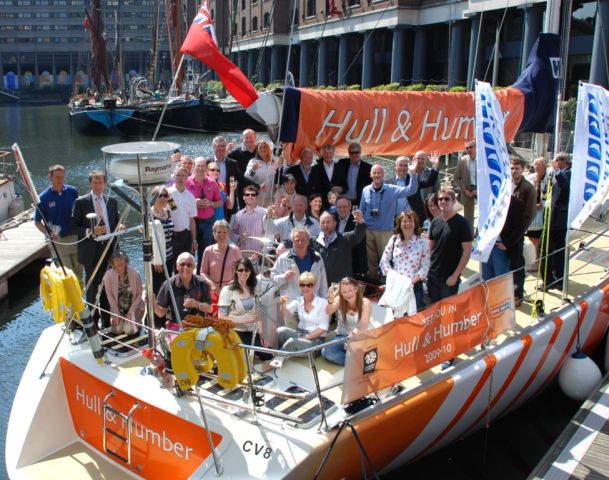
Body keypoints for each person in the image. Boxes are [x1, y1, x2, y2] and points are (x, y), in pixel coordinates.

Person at [71, 169, 120, 325]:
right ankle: (92, 319)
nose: (98, 186)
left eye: (100, 183)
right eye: (95, 183)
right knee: (92, 286)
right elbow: (73, 227)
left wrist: (120, 227)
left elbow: (116, 222)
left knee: (108, 284)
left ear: (105, 184)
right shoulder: (81, 202)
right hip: (91, 250)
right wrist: (90, 231)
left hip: (109, 250)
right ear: (90, 183)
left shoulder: (112, 202)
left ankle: (106, 319)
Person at [360, 163, 418, 276]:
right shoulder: (365, 190)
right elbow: (362, 208)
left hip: (385, 230)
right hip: (369, 230)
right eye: (374, 173)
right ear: (371, 174)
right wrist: (358, 216)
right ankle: (373, 281)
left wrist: (413, 174)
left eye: (379, 173)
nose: (377, 175)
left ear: (383, 175)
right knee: (371, 260)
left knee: (386, 259)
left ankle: (387, 282)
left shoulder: (392, 190)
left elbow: (411, 190)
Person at [34, 164, 83, 282]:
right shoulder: (43, 198)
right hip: (59, 241)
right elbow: (37, 222)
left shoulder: (72, 191)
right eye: (57, 177)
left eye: (62, 177)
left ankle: (80, 299)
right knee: (67, 275)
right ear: (50, 177)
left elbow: (80, 212)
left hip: (76, 237)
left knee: (79, 273)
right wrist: (49, 233)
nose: (60, 180)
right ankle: (70, 300)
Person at [218, 258, 271, 360]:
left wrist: (262, 334)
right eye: (240, 270)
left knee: (268, 355)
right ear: (236, 272)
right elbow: (221, 317)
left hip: (252, 331)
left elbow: (258, 313)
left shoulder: (254, 288)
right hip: (234, 332)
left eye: (246, 270)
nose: (243, 273)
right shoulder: (227, 290)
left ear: (251, 272)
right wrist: (242, 319)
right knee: (245, 357)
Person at [427, 188, 473, 303]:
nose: (443, 201)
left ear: (453, 202)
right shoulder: (434, 222)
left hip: (449, 277)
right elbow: (430, 248)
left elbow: (467, 252)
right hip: (433, 274)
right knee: (434, 308)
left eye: (446, 199)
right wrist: (427, 269)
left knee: (448, 311)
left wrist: (455, 275)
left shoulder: (462, 223)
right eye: (440, 199)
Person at [379, 211, 430, 310]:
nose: (408, 224)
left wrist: (410, 282)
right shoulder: (394, 240)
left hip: (414, 286)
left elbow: (425, 266)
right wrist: (392, 276)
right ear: (400, 224)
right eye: (404, 221)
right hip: (395, 285)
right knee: (394, 317)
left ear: (415, 223)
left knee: (412, 318)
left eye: (410, 221)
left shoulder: (423, 242)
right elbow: (384, 260)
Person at [271, 227, 328, 310]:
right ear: (292, 242)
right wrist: (284, 277)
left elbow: (323, 284)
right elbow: (273, 279)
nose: (300, 243)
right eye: (297, 240)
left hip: (313, 306)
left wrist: (324, 303)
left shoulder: (316, 257)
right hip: (291, 307)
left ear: (308, 241)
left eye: (303, 240)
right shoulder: (283, 258)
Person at [277, 271, 331, 354]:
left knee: (293, 342)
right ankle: (278, 353)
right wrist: (282, 304)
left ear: (314, 286)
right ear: (299, 285)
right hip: (300, 334)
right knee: (280, 331)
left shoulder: (323, 303)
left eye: (309, 285)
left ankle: (276, 360)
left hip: (316, 340)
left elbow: (323, 328)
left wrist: (305, 337)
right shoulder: (298, 300)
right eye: (302, 285)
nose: (305, 288)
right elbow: (285, 313)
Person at [154, 252, 213, 328]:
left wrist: (196, 304)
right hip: (176, 325)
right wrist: (153, 305)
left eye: (189, 265)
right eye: (182, 264)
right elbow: (161, 313)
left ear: (193, 267)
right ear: (177, 266)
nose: (185, 267)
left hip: (198, 325)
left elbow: (210, 309)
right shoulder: (168, 284)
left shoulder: (202, 283)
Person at [322, 277, 371, 366]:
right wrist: (330, 300)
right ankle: (357, 364)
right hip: (341, 336)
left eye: (350, 290)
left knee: (356, 349)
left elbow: (363, 325)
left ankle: (357, 360)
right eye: (344, 292)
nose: (348, 294)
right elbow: (328, 311)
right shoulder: (339, 300)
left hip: (358, 337)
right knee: (326, 352)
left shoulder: (365, 302)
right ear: (341, 293)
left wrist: (351, 336)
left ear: (356, 289)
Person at [186, 157, 223, 272]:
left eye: (203, 166)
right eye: (198, 166)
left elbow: (220, 202)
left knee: (205, 249)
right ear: (194, 167)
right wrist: (194, 202)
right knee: (190, 250)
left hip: (208, 221)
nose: (201, 168)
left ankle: (201, 275)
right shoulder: (187, 182)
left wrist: (210, 203)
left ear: (206, 168)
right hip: (192, 221)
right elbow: (180, 202)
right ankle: (188, 274)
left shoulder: (212, 183)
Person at [542, 152, 571, 290]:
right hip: (552, 216)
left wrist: (558, 172)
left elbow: (566, 187)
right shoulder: (556, 175)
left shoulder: (568, 174)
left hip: (559, 219)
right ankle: (554, 277)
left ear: (564, 161)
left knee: (555, 249)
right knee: (551, 249)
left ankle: (556, 278)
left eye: (556, 160)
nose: (554, 162)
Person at [509, 157, 537, 303]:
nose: (513, 171)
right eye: (512, 168)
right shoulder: (507, 184)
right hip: (505, 233)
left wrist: (517, 234)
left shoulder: (528, 189)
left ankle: (518, 293)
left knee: (517, 264)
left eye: (517, 168)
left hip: (517, 234)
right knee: (508, 265)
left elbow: (529, 215)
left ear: (523, 169)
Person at [314, 210, 367, 285]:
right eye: (322, 222)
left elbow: (358, 234)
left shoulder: (345, 238)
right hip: (322, 284)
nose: (325, 225)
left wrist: (360, 221)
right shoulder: (314, 241)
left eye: (328, 222)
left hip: (342, 286)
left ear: (335, 223)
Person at [102, 250, 143, 335]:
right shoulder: (108, 276)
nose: (120, 262)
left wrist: (131, 311)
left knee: (129, 331)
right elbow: (109, 296)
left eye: (121, 259)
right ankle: (124, 321)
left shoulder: (135, 273)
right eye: (117, 260)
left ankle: (137, 322)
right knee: (117, 330)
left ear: (125, 260)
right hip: (119, 310)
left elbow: (139, 294)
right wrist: (116, 313)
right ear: (113, 263)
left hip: (134, 309)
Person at [200, 220, 242, 294]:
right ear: (214, 234)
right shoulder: (208, 250)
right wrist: (213, 285)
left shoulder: (235, 250)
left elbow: (241, 270)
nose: (222, 235)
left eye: (224, 232)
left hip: (231, 290)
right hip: (213, 291)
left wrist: (234, 283)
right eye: (219, 232)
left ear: (228, 234)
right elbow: (203, 272)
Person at [210, 135, 249, 215]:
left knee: (228, 226)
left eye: (223, 146)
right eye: (218, 146)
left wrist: (257, 186)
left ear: (226, 147)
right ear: (213, 147)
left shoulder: (232, 163)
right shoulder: (208, 163)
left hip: (229, 201)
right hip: (211, 201)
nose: (220, 148)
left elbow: (242, 179)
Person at [526, 157, 551, 269]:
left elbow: (552, 195)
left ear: (544, 166)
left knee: (537, 239)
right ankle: (536, 260)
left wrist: (543, 204)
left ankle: (537, 261)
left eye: (539, 165)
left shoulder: (550, 178)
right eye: (535, 165)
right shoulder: (530, 178)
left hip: (544, 212)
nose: (536, 167)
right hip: (532, 212)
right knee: (532, 238)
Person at [168, 166, 197, 259]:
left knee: (183, 262)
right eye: (178, 175)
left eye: (183, 175)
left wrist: (194, 240)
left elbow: (192, 220)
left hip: (185, 235)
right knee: (170, 264)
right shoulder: (167, 194)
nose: (180, 178)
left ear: (187, 177)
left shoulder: (190, 197)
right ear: (174, 177)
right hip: (170, 234)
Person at [150, 186, 175, 294]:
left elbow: (175, 207)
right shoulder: (149, 214)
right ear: (154, 197)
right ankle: (156, 310)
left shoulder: (167, 212)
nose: (163, 198)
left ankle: (166, 309)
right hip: (158, 258)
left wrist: (170, 198)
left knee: (167, 283)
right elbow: (147, 240)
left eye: (165, 196)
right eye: (160, 195)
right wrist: (156, 261)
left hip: (169, 254)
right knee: (158, 287)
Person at [230, 185, 268, 252]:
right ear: (243, 197)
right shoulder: (238, 215)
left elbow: (270, 234)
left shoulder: (265, 213)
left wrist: (261, 251)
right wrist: (239, 237)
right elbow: (231, 233)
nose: (250, 197)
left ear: (257, 197)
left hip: (260, 256)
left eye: (253, 195)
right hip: (242, 256)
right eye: (247, 195)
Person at [335, 195, 367, 275]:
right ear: (336, 207)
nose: (342, 210)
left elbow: (360, 248)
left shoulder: (357, 221)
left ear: (350, 207)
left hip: (352, 265)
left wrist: (362, 270)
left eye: (344, 207)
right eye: (339, 207)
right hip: (335, 264)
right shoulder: (332, 219)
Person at [407, 151, 440, 221]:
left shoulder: (432, 173)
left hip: (428, 208)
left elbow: (437, 190)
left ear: (426, 160)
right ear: (414, 159)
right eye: (418, 158)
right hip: (411, 208)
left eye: (422, 159)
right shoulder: (408, 174)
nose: (420, 161)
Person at [337, 142, 372, 207]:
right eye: (351, 153)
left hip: (360, 202)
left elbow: (372, 187)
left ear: (360, 152)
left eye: (356, 152)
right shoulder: (342, 163)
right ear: (348, 153)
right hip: (344, 202)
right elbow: (330, 167)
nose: (354, 155)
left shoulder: (368, 168)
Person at [452, 140, 477, 228]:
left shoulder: (483, 160)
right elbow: (456, 178)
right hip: (467, 191)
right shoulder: (462, 160)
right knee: (468, 218)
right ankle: (469, 236)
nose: (469, 150)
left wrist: (477, 191)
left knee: (484, 213)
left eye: (471, 147)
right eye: (467, 148)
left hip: (481, 190)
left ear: (476, 147)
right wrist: (465, 190)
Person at [244, 140, 277, 207]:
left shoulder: (273, 162)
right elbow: (247, 177)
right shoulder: (253, 162)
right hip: (258, 197)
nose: (263, 149)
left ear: (268, 149)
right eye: (260, 148)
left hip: (271, 196)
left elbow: (277, 176)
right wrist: (253, 170)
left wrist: (276, 184)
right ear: (257, 150)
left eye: (264, 147)